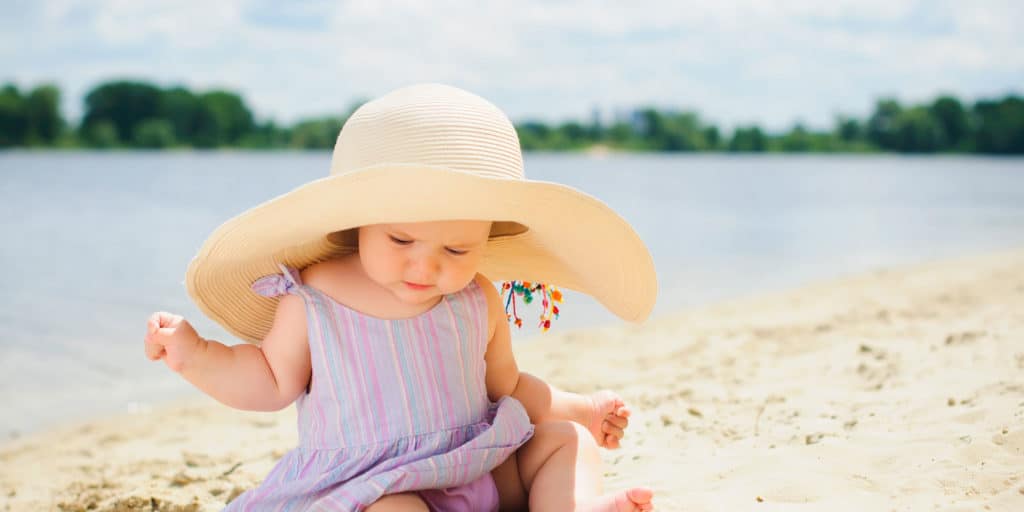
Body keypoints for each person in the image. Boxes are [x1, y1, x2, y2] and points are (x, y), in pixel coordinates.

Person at [144, 83, 657, 511]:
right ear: (357, 221)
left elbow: (510, 387)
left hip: (476, 466)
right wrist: (197, 356)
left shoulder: (475, 298)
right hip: (372, 487)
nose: (426, 265)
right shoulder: (314, 299)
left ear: (486, 240)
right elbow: (268, 381)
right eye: (401, 240)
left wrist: (581, 409)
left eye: (457, 248)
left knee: (567, 443)